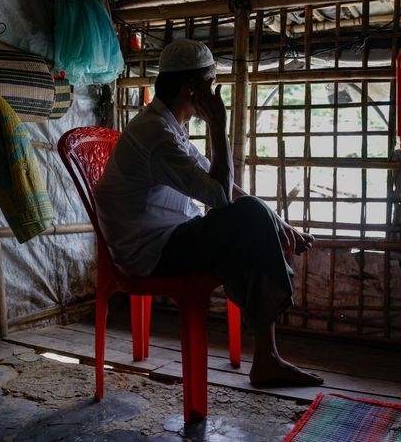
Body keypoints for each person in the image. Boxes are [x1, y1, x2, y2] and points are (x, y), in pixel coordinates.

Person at [94, 38, 322, 386]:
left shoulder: (169, 126)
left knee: (250, 222)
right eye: (210, 84)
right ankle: (267, 359)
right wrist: (219, 126)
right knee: (246, 219)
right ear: (191, 89)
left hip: (172, 238)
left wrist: (278, 221)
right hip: (148, 253)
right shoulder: (156, 135)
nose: (214, 94)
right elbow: (218, 196)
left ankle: (266, 359)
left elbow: (225, 188)